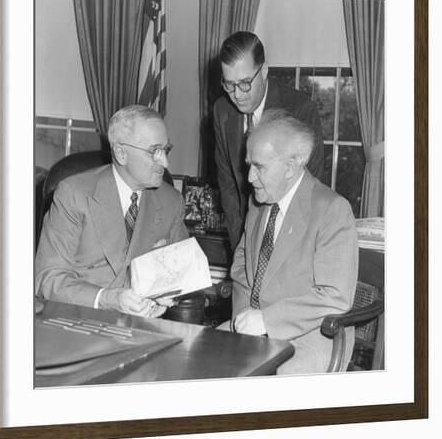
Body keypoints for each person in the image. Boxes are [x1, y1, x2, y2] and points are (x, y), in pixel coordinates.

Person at [227, 108, 358, 374]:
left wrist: (266, 320)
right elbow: (240, 267)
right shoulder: (258, 202)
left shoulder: (331, 209)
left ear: (289, 168)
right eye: (249, 165)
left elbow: (335, 296)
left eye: (259, 167)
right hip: (252, 327)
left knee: (278, 383)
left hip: (311, 336)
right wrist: (245, 319)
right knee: (201, 357)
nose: (250, 178)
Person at [35, 105, 188, 317]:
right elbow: (48, 279)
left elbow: (182, 275)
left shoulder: (171, 201)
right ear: (121, 153)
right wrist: (107, 298)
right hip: (78, 322)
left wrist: (167, 294)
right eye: (155, 151)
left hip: (143, 329)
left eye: (166, 149)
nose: (165, 161)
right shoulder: (73, 194)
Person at [213, 31, 325, 250]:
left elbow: (309, 189)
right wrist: (242, 248)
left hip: (291, 238)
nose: (237, 94)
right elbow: (227, 186)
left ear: (263, 71)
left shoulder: (300, 110)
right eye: (229, 84)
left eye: (245, 83)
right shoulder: (221, 110)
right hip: (245, 237)